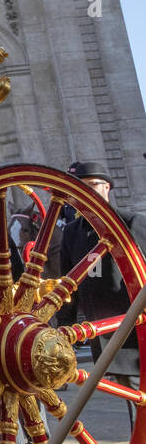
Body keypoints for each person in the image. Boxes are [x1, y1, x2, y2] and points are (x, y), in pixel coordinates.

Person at [59, 161, 146, 401]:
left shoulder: (132, 222)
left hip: (135, 332)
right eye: (77, 187)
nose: (84, 192)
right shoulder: (72, 231)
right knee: (130, 401)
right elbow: (68, 285)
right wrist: (64, 330)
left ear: (106, 187)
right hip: (102, 334)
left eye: (91, 185)